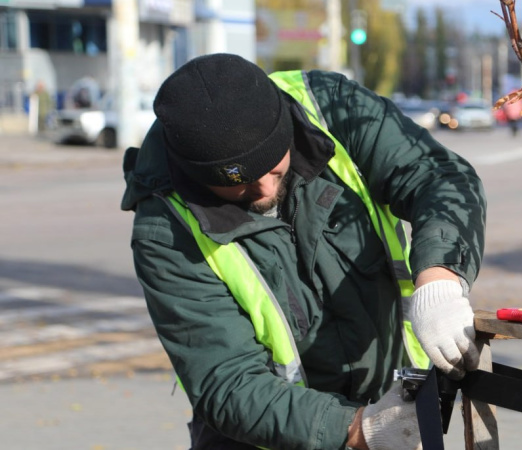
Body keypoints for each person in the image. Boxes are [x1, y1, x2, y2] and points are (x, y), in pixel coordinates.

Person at [120, 53, 486, 449]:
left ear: (286, 126)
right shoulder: (165, 229)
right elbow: (227, 381)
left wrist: (440, 278)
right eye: (240, 184)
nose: (263, 189)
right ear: (195, 174)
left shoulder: (329, 107)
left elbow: (436, 176)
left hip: (388, 401)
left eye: (273, 167)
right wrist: (359, 430)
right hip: (267, 437)